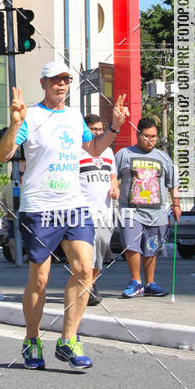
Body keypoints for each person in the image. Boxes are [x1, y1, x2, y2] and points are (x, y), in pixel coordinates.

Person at [0, 61, 129, 371]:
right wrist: (15, 124)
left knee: (85, 269)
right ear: (43, 83)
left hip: (74, 206)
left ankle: (69, 339)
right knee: (39, 279)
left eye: (66, 80)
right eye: (55, 80)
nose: (61, 85)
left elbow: (94, 149)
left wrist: (114, 127)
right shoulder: (31, 115)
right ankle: (32, 339)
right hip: (40, 207)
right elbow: (4, 155)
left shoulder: (74, 116)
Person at [115, 116, 181, 297]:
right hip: (130, 211)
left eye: (154, 136)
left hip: (156, 212)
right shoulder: (124, 154)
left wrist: (176, 204)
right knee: (131, 246)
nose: (150, 140)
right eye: (146, 136)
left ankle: (150, 283)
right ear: (138, 135)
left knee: (151, 248)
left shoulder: (163, 158)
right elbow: (113, 176)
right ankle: (136, 281)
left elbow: (173, 183)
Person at [79, 114, 120, 305]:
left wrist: (115, 187)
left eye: (100, 129)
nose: (98, 133)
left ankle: (91, 282)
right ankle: (86, 288)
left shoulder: (109, 153)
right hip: (82, 213)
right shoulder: (77, 151)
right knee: (87, 253)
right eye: (93, 129)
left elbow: (113, 176)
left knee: (101, 249)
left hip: (105, 212)